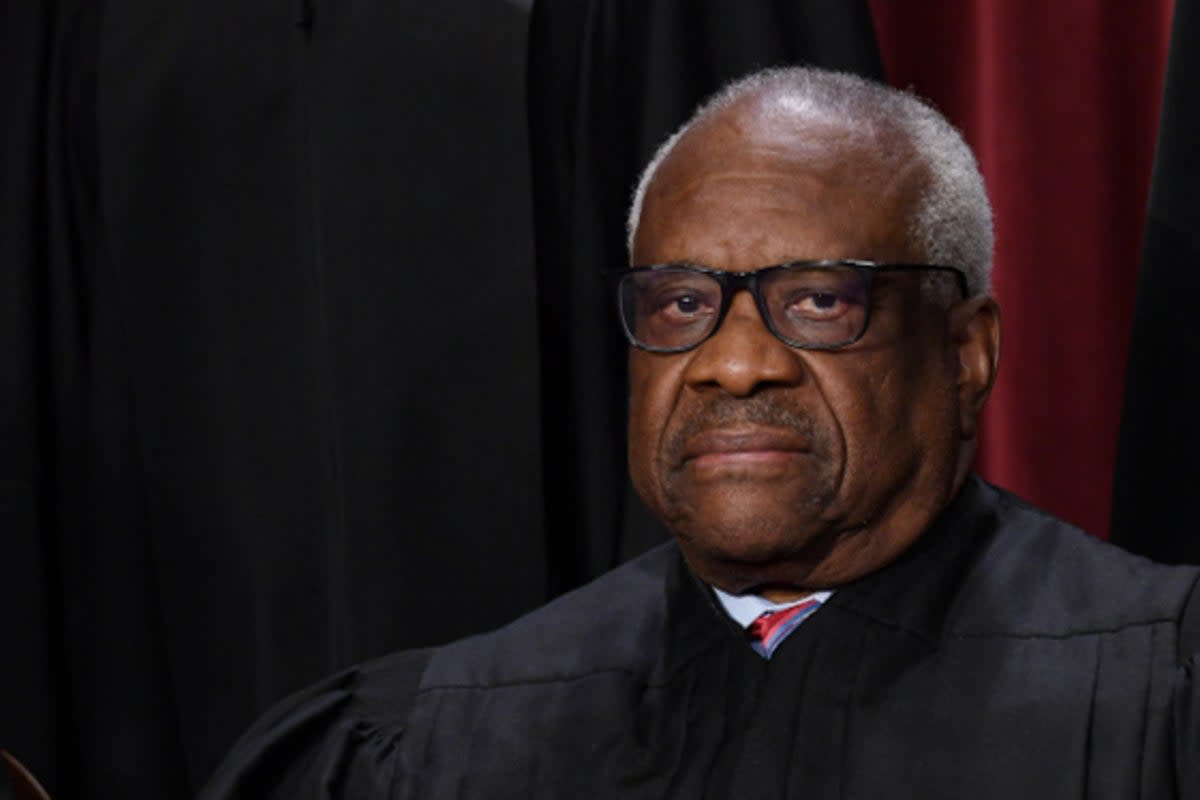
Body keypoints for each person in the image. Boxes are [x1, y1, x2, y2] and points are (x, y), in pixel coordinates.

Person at [201, 67, 1200, 798]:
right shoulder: (442, 739)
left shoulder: (1160, 695)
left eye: (816, 299)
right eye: (682, 304)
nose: (732, 362)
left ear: (964, 351)